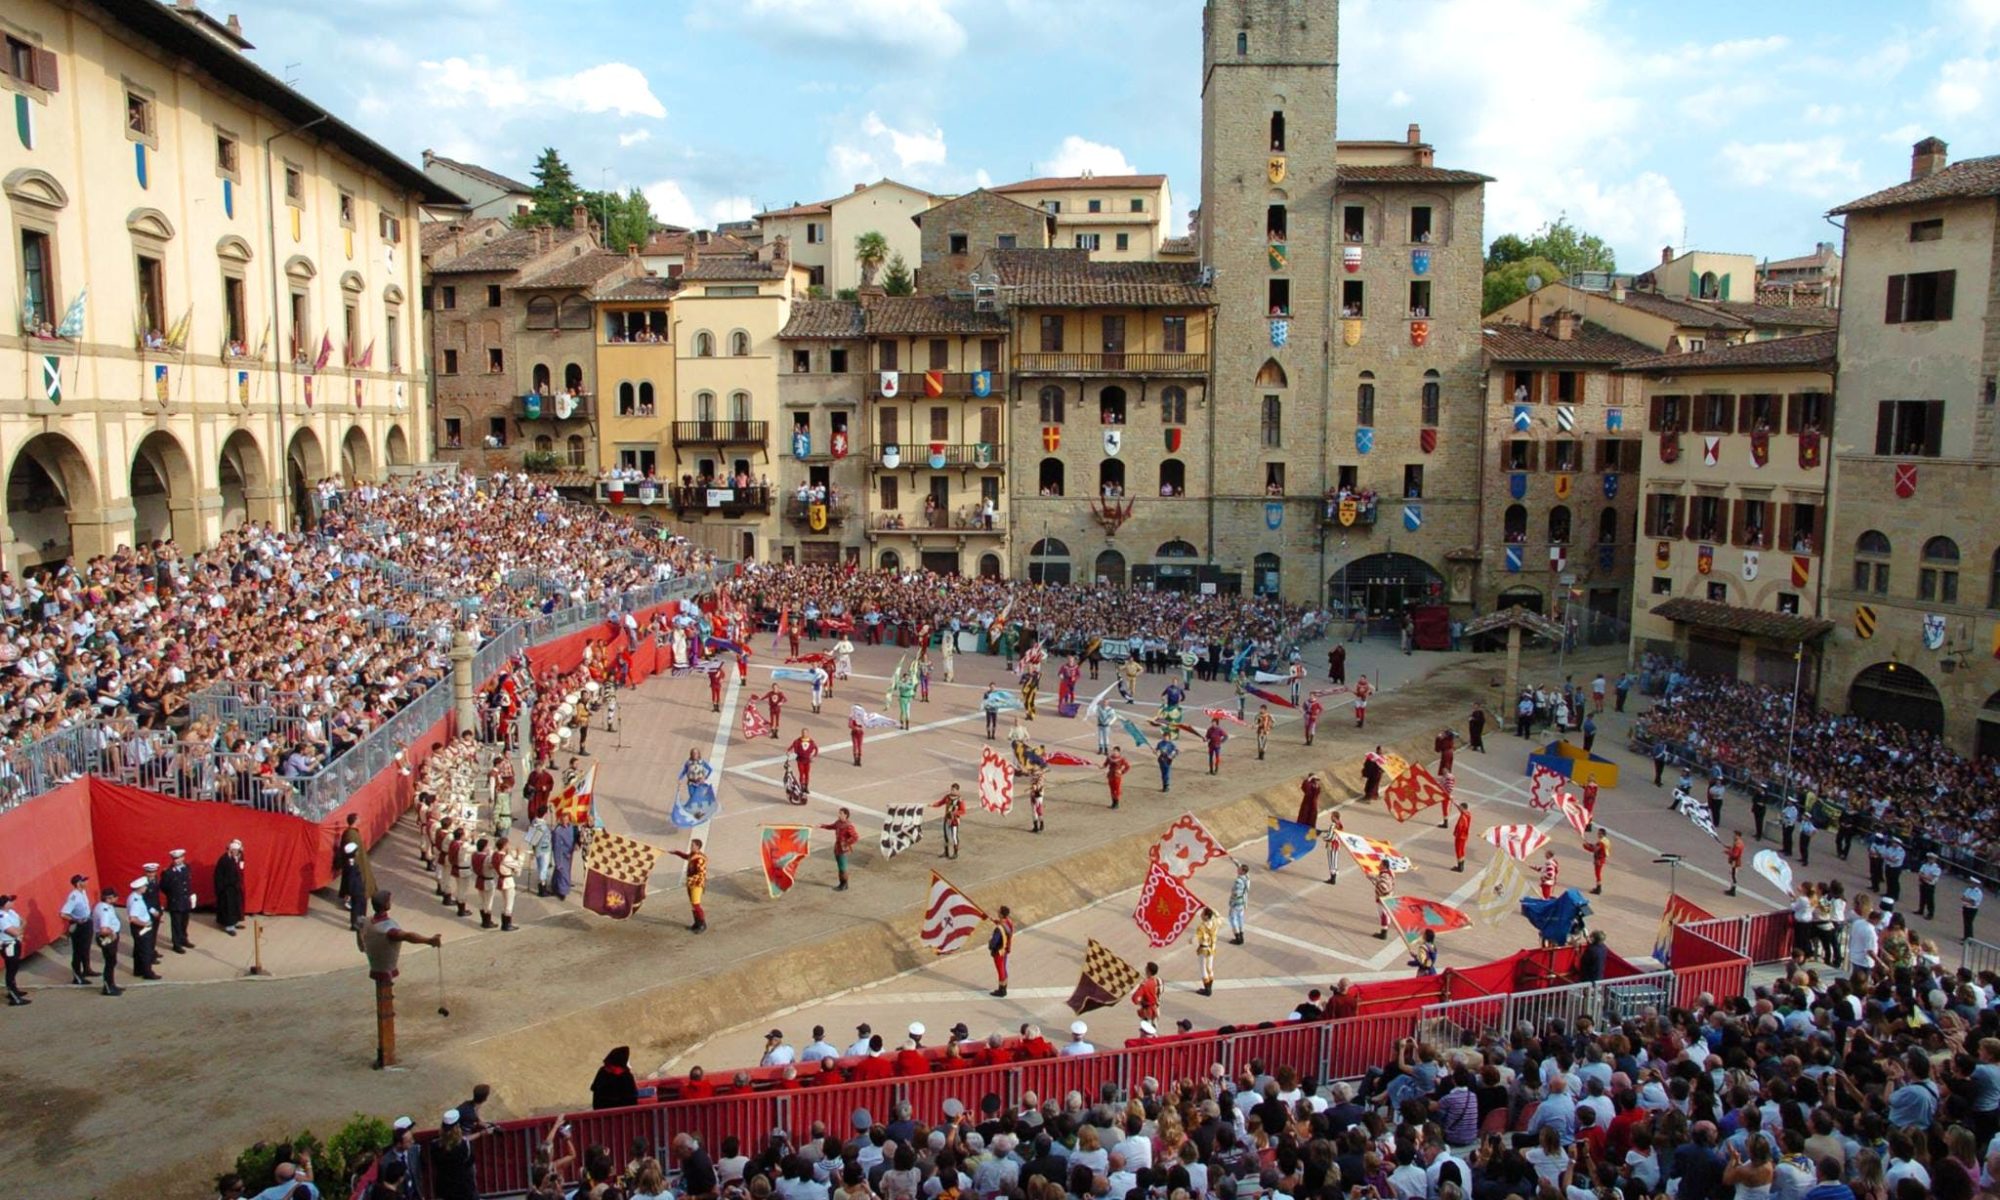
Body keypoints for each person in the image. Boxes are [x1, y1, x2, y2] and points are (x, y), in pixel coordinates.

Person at [359, 890, 443, 1069]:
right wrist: (429, 940)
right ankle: (387, 1056)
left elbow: (359, 926)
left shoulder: (367, 922)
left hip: (377, 963)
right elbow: (407, 936)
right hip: (384, 967)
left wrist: (362, 945)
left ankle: (385, 1054)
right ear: (386, 904)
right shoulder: (386, 928)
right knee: (385, 1011)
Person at [62, 872, 95, 986]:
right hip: (80, 926)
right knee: (78, 951)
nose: (86, 882)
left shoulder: (83, 892)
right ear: (78, 883)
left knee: (86, 949)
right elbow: (63, 913)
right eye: (84, 881)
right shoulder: (74, 897)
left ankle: (87, 969)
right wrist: (76, 920)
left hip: (87, 922)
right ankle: (77, 976)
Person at [161, 848, 196, 953]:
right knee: (176, 923)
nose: (177, 860)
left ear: (183, 858)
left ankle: (183, 939)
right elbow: (163, 886)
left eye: (179, 858)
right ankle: (176, 944)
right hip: (175, 901)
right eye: (175, 859)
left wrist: (190, 895)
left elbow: (187, 884)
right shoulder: (169, 872)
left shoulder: (186, 868)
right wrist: (172, 895)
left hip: (185, 900)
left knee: (184, 922)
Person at [670, 838, 709, 933]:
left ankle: (702, 924)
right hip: (691, 883)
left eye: (692, 845)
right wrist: (676, 852)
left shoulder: (700, 859)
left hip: (697, 884)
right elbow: (686, 856)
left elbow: (701, 874)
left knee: (696, 904)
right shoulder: (693, 855)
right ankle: (697, 923)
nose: (690, 847)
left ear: (697, 847)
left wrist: (690, 879)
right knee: (693, 904)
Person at [127, 873, 161, 980]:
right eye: (145, 886)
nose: (146, 888)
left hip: (140, 927)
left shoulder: (136, 896)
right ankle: (148, 972)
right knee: (145, 950)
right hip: (142, 928)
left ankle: (138, 970)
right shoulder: (136, 900)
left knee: (138, 949)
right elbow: (133, 918)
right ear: (140, 888)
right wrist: (145, 924)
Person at [93, 885, 124, 996]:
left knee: (112, 961)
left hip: (109, 937)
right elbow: (103, 929)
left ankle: (112, 984)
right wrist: (112, 933)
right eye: (115, 897)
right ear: (109, 898)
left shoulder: (104, 906)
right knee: (110, 962)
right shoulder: (104, 910)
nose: (117, 899)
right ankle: (108, 987)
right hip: (107, 938)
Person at [819, 808, 859, 891]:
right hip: (837, 847)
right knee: (840, 867)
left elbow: (855, 837)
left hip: (843, 850)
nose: (839, 815)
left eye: (841, 813)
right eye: (839, 813)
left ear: (845, 815)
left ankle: (843, 884)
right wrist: (822, 826)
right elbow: (832, 826)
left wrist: (846, 843)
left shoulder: (848, 825)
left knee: (842, 868)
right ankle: (843, 884)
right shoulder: (838, 822)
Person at [213, 840, 246, 935]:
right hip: (226, 889)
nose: (236, 852)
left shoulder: (236, 858)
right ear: (230, 850)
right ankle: (229, 926)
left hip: (234, 887)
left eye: (237, 850)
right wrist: (222, 888)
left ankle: (234, 922)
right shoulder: (224, 860)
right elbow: (219, 876)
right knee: (228, 907)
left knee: (235, 906)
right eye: (234, 850)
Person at [0, 893, 26, 1006]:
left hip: (15, 942)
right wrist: (19, 931)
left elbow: (24, 921)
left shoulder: (11, 912)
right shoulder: (1, 917)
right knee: (11, 969)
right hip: (8, 945)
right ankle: (14, 997)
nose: (13, 902)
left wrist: (19, 930)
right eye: (10, 901)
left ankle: (14, 990)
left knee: (15, 967)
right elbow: (14, 932)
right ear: (5, 904)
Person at [931, 783, 965, 858]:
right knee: (946, 836)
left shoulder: (960, 799)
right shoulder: (947, 797)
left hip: (954, 821)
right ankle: (946, 852)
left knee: (954, 837)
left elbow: (963, 811)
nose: (952, 791)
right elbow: (941, 803)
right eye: (951, 789)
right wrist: (933, 805)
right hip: (947, 819)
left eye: (953, 790)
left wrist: (955, 813)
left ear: (957, 790)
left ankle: (955, 853)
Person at [988, 905, 1014, 998]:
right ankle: (1004, 987)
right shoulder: (1009, 922)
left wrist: (990, 943)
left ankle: (1001, 990)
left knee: (1000, 970)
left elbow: (994, 942)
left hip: (999, 951)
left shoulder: (999, 929)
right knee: (1004, 968)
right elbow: (1003, 925)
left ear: (1002, 914)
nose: (997, 912)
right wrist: (993, 920)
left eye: (998, 912)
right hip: (1006, 949)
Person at [1194, 907, 1219, 996]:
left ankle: (1207, 989)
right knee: (1210, 968)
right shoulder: (1215, 923)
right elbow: (1218, 915)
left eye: (1202, 913)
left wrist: (1190, 940)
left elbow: (1196, 939)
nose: (1201, 915)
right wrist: (1212, 909)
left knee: (1203, 969)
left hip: (1204, 949)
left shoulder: (1201, 927)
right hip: (1212, 948)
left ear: (1206, 916)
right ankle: (1209, 988)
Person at [1227, 863, 1249, 945]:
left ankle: (1238, 937)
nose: (1238, 869)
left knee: (1233, 919)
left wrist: (1232, 902)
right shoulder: (1247, 878)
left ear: (1243, 871)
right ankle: (1241, 937)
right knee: (1240, 918)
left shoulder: (1238, 881)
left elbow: (1236, 893)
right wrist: (1233, 860)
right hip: (1243, 902)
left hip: (1236, 903)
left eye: (1239, 869)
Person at [1918, 853, 1942, 920]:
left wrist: (1924, 876)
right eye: (1929, 858)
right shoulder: (1925, 865)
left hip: (1930, 885)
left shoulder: (1937, 868)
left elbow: (1931, 878)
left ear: (1935, 860)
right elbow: (1920, 874)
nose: (1930, 859)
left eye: (1932, 858)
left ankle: (1930, 913)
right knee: (1922, 897)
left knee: (1930, 900)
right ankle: (1921, 910)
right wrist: (1924, 877)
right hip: (1923, 883)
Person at [1452, 802, 1472, 872]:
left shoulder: (1462, 817)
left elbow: (1460, 826)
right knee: (1462, 850)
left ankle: (1459, 867)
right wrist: (1454, 803)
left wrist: (1456, 833)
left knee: (1458, 851)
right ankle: (1462, 865)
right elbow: (1460, 809)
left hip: (1460, 836)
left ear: (1463, 808)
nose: (1459, 808)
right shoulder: (1468, 814)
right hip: (1465, 836)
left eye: (1460, 807)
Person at [1965, 877, 1985, 941]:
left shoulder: (1977, 892)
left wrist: (1967, 899)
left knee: (1969, 924)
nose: (1970, 883)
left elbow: (1972, 902)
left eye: (1972, 883)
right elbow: (1963, 897)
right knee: (1966, 923)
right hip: (1966, 907)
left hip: (1972, 909)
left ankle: (1969, 938)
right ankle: (1966, 936)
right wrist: (1967, 900)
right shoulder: (1969, 889)